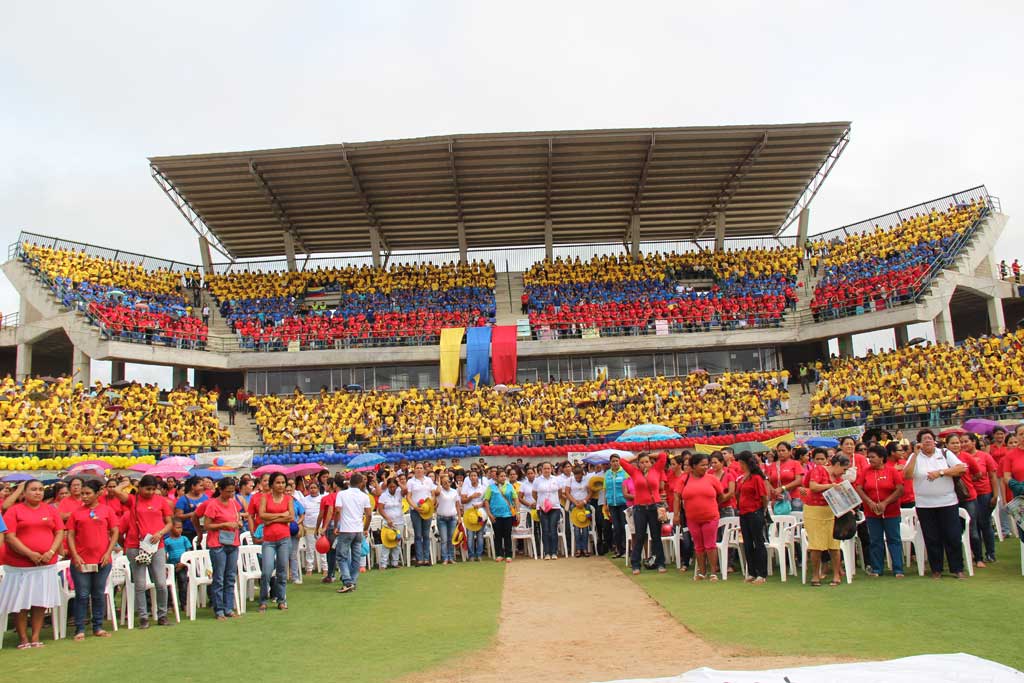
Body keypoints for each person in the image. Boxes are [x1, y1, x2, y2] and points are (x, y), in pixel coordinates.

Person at [0, 479, 64, 649]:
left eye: (41, 489)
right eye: (34, 489)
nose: (38, 492)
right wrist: (30, 553)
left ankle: (35, 636)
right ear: (24, 493)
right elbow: (9, 536)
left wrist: (51, 552)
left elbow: (59, 532)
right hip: (19, 566)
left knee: (40, 601)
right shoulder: (14, 511)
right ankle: (23, 638)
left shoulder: (50, 510)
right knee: (19, 603)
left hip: (45, 564)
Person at [904, 429, 967, 579]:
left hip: (948, 502)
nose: (928, 441)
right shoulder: (915, 456)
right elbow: (907, 475)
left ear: (935, 441)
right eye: (924, 439)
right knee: (932, 538)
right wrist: (914, 454)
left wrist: (941, 472)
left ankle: (957, 568)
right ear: (919, 442)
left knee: (952, 536)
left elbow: (961, 468)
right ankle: (936, 569)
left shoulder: (944, 453)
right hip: (925, 504)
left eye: (930, 438)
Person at [113, 475, 173, 628]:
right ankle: (143, 617)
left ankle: (162, 615)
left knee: (160, 582)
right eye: (147, 489)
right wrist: (126, 483)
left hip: (156, 546)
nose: (151, 492)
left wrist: (160, 533)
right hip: (136, 546)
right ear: (139, 488)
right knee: (139, 584)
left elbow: (169, 523)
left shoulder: (161, 501)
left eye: (153, 489)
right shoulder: (133, 500)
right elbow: (116, 491)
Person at [66, 479, 119, 640]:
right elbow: (70, 534)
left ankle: (98, 626)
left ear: (98, 494)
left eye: (88, 493)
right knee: (81, 594)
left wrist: (107, 553)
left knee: (98, 593)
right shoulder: (76, 513)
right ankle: (80, 628)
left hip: (102, 560)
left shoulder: (107, 511)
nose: (84, 497)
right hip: (81, 561)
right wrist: (75, 555)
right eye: (82, 493)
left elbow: (115, 531)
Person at [673, 453, 727, 581]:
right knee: (698, 545)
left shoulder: (712, 479)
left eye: (707, 465)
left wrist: (711, 506)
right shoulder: (684, 479)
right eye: (702, 465)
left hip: (710, 517)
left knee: (710, 545)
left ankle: (713, 572)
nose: (706, 467)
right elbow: (676, 497)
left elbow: (721, 495)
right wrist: (676, 515)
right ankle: (702, 572)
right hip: (692, 518)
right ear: (693, 466)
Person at [855, 444, 905, 578]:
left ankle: (898, 569)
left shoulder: (892, 471)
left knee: (894, 539)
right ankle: (877, 568)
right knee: (875, 540)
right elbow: (859, 488)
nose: (870, 459)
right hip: (872, 512)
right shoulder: (865, 471)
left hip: (891, 511)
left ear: (882, 458)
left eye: (873, 457)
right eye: (869, 457)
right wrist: (869, 502)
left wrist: (885, 503)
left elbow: (900, 489)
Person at [200, 477, 244, 620]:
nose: (230, 494)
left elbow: (239, 517)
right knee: (219, 577)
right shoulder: (213, 505)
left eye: (232, 491)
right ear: (220, 490)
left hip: (233, 542)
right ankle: (219, 609)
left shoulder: (233, 503)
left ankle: (228, 608)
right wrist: (223, 525)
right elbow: (207, 525)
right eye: (227, 492)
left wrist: (238, 523)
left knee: (230, 577)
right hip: (217, 543)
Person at [619, 451, 669, 574]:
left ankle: (660, 563)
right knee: (639, 536)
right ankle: (636, 564)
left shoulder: (656, 470)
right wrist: (637, 456)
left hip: (654, 507)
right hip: (639, 508)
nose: (644, 464)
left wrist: (649, 455)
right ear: (638, 464)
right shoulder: (634, 472)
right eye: (642, 462)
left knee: (656, 536)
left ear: (650, 463)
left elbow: (663, 456)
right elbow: (622, 461)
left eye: (646, 462)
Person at [803, 450, 847, 587]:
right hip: (814, 511)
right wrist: (830, 486)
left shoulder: (839, 479)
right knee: (816, 545)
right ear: (837, 464)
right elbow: (813, 486)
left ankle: (836, 575)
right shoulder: (819, 470)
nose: (844, 472)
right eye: (844, 469)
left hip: (832, 512)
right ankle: (815, 575)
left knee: (834, 545)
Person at [257, 472, 294, 611]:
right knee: (266, 571)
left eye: (283, 482)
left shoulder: (288, 499)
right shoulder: (265, 498)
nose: (281, 485)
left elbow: (290, 517)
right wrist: (281, 515)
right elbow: (261, 516)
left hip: (284, 538)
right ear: (272, 484)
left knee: (282, 570)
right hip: (269, 540)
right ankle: (263, 599)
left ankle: (281, 599)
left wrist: (271, 519)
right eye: (278, 483)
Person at [962, 433, 998, 564]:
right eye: (962, 442)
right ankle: (977, 555)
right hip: (968, 495)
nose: (964, 444)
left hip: (984, 493)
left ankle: (990, 553)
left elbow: (993, 476)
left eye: (966, 441)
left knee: (985, 523)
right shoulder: (959, 458)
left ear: (973, 442)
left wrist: (995, 495)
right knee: (972, 525)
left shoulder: (984, 456)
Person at [734, 451, 769, 584]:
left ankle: (762, 573)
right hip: (744, 513)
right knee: (747, 543)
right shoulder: (743, 477)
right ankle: (751, 572)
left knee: (758, 542)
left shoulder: (756, 478)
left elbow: (763, 496)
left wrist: (763, 510)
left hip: (755, 512)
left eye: (741, 463)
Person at [335, 472, 371, 594]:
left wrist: (336, 526)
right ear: (361, 483)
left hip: (346, 529)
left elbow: (338, 511)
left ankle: (347, 581)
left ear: (350, 482)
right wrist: (365, 528)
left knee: (342, 556)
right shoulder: (364, 496)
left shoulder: (342, 494)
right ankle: (353, 581)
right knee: (356, 557)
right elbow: (369, 514)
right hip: (358, 530)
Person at [484, 469, 518, 562]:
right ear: (497, 477)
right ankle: (499, 554)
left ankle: (508, 555)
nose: (503, 478)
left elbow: (515, 499)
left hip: (508, 514)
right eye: (501, 476)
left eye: (504, 476)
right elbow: (486, 500)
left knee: (507, 535)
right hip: (495, 515)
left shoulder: (510, 486)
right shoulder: (491, 487)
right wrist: (489, 514)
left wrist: (517, 512)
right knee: (498, 536)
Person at [405, 463, 435, 567]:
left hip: (427, 510)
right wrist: (415, 507)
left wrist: (431, 505)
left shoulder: (429, 480)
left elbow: (433, 494)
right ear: (414, 470)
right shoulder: (410, 481)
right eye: (417, 468)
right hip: (415, 510)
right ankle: (420, 559)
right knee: (418, 535)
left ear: (424, 470)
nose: (419, 470)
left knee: (426, 534)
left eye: (421, 468)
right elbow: (408, 496)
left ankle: (426, 558)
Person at [532, 462, 563, 560]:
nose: (546, 470)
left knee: (553, 529)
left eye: (548, 468)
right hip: (542, 508)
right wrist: (541, 503)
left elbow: (560, 493)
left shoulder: (556, 479)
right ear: (541, 470)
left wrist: (554, 501)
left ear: (551, 469)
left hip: (554, 508)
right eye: (545, 468)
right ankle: (547, 553)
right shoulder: (537, 480)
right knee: (545, 530)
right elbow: (534, 493)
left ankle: (554, 552)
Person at [603, 454, 629, 558]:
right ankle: (618, 550)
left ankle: (626, 550)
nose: (615, 463)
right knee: (616, 528)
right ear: (610, 463)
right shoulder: (607, 474)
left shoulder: (625, 473)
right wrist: (605, 504)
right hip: (612, 504)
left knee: (624, 526)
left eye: (616, 461)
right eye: (613, 461)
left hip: (623, 503)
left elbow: (629, 486)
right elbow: (605, 489)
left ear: (620, 461)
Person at [376, 478, 405, 569]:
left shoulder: (399, 493)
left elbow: (406, 490)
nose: (392, 488)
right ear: (387, 486)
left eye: (394, 486)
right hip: (387, 523)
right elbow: (380, 509)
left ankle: (395, 563)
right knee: (387, 543)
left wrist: (399, 482)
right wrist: (387, 519)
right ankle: (384, 564)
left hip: (399, 521)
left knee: (397, 542)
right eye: (390, 487)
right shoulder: (384, 496)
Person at [460, 469, 488, 561]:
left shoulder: (483, 488)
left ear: (478, 477)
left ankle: (479, 554)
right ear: (469, 478)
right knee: (470, 535)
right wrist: (471, 497)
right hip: (469, 514)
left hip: (480, 514)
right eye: (471, 476)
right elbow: (463, 501)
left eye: (475, 475)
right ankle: (471, 555)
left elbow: (486, 501)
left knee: (480, 535)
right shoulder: (466, 488)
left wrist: (480, 504)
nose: (473, 477)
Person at [565, 466, 591, 557]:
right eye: (576, 477)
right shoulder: (570, 480)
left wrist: (584, 501)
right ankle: (578, 549)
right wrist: (575, 502)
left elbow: (590, 492)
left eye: (579, 477)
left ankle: (585, 548)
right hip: (574, 505)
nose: (578, 479)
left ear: (582, 474)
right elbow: (567, 492)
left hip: (585, 505)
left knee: (585, 526)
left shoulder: (586, 479)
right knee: (576, 527)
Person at [435, 473, 461, 565]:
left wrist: (459, 517)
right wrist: (438, 483)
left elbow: (457, 504)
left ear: (451, 482)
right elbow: (436, 493)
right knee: (444, 539)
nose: (446, 483)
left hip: (452, 518)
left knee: (451, 539)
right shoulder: (439, 491)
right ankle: (445, 558)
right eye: (444, 482)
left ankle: (451, 557)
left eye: (448, 481)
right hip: (441, 518)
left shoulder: (454, 491)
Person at [164, 519, 191, 607]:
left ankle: (184, 604)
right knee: (169, 586)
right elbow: (164, 554)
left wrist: (183, 563)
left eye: (181, 527)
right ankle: (170, 604)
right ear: (171, 528)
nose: (180, 530)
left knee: (183, 583)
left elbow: (188, 552)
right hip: (172, 565)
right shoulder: (167, 541)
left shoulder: (184, 539)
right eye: (177, 527)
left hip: (183, 565)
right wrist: (166, 567)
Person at [174, 476, 208, 544]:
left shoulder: (205, 497)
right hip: (188, 531)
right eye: (201, 485)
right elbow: (178, 516)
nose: (203, 488)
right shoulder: (183, 499)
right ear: (193, 486)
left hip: (203, 530)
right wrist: (194, 514)